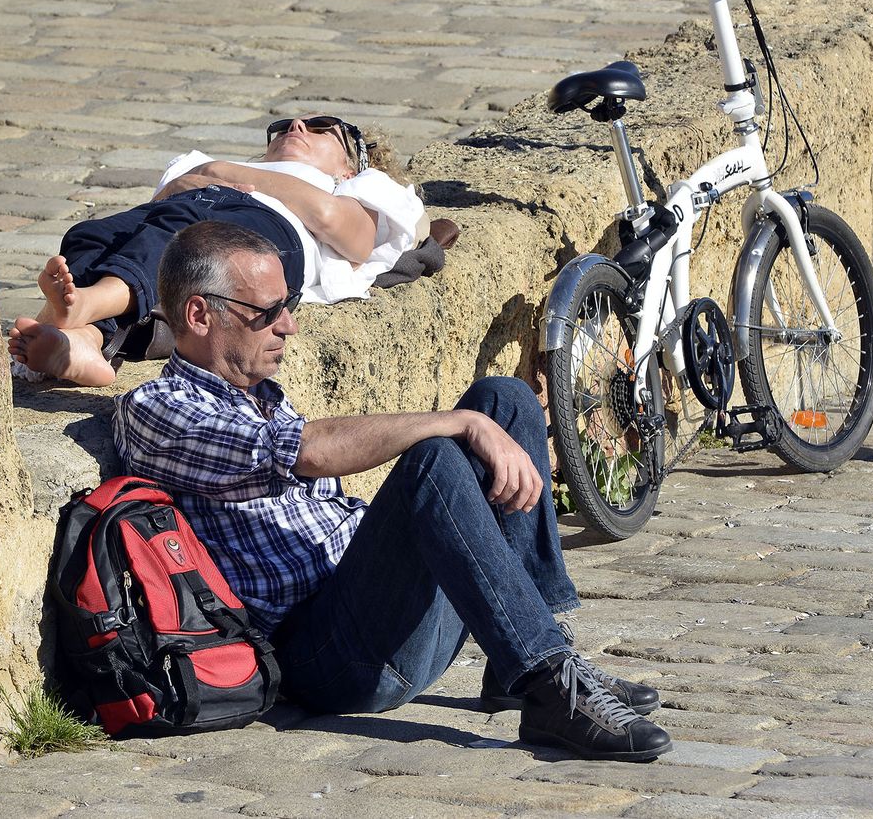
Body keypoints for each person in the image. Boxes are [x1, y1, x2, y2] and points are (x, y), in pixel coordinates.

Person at [112, 220, 672, 762]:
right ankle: (551, 687)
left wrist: (475, 420)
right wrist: (455, 423)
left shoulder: (262, 394)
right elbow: (306, 452)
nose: (288, 327)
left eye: (290, 307)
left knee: (505, 401)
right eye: (266, 313)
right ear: (198, 314)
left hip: (377, 608)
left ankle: (524, 661)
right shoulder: (161, 410)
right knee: (434, 460)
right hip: (325, 658)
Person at [9, 114, 423, 387]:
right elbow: (163, 201)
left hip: (268, 232)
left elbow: (336, 223)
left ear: (350, 164)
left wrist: (216, 173)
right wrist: (195, 183)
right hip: (193, 207)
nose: (296, 124)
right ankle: (86, 338)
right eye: (284, 127)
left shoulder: (356, 186)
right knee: (93, 235)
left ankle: (84, 306)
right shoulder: (237, 168)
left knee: (179, 242)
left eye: (321, 128)